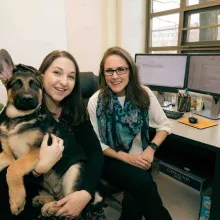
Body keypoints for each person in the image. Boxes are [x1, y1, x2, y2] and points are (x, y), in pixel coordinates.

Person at [0, 50, 106, 220]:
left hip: (74, 183)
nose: (64, 82)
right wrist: (38, 169)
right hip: (34, 193)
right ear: (43, 75)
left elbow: (94, 153)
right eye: (57, 72)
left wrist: (85, 193)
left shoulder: (76, 112)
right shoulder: (18, 117)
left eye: (71, 77)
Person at [88, 46, 172, 220]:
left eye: (121, 69)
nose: (115, 76)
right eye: (109, 71)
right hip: (111, 159)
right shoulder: (96, 101)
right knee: (144, 183)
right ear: (103, 74)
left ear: (130, 71)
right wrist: (128, 158)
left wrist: (150, 149)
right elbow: (97, 144)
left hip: (141, 158)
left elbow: (164, 125)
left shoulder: (144, 94)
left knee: (133, 205)